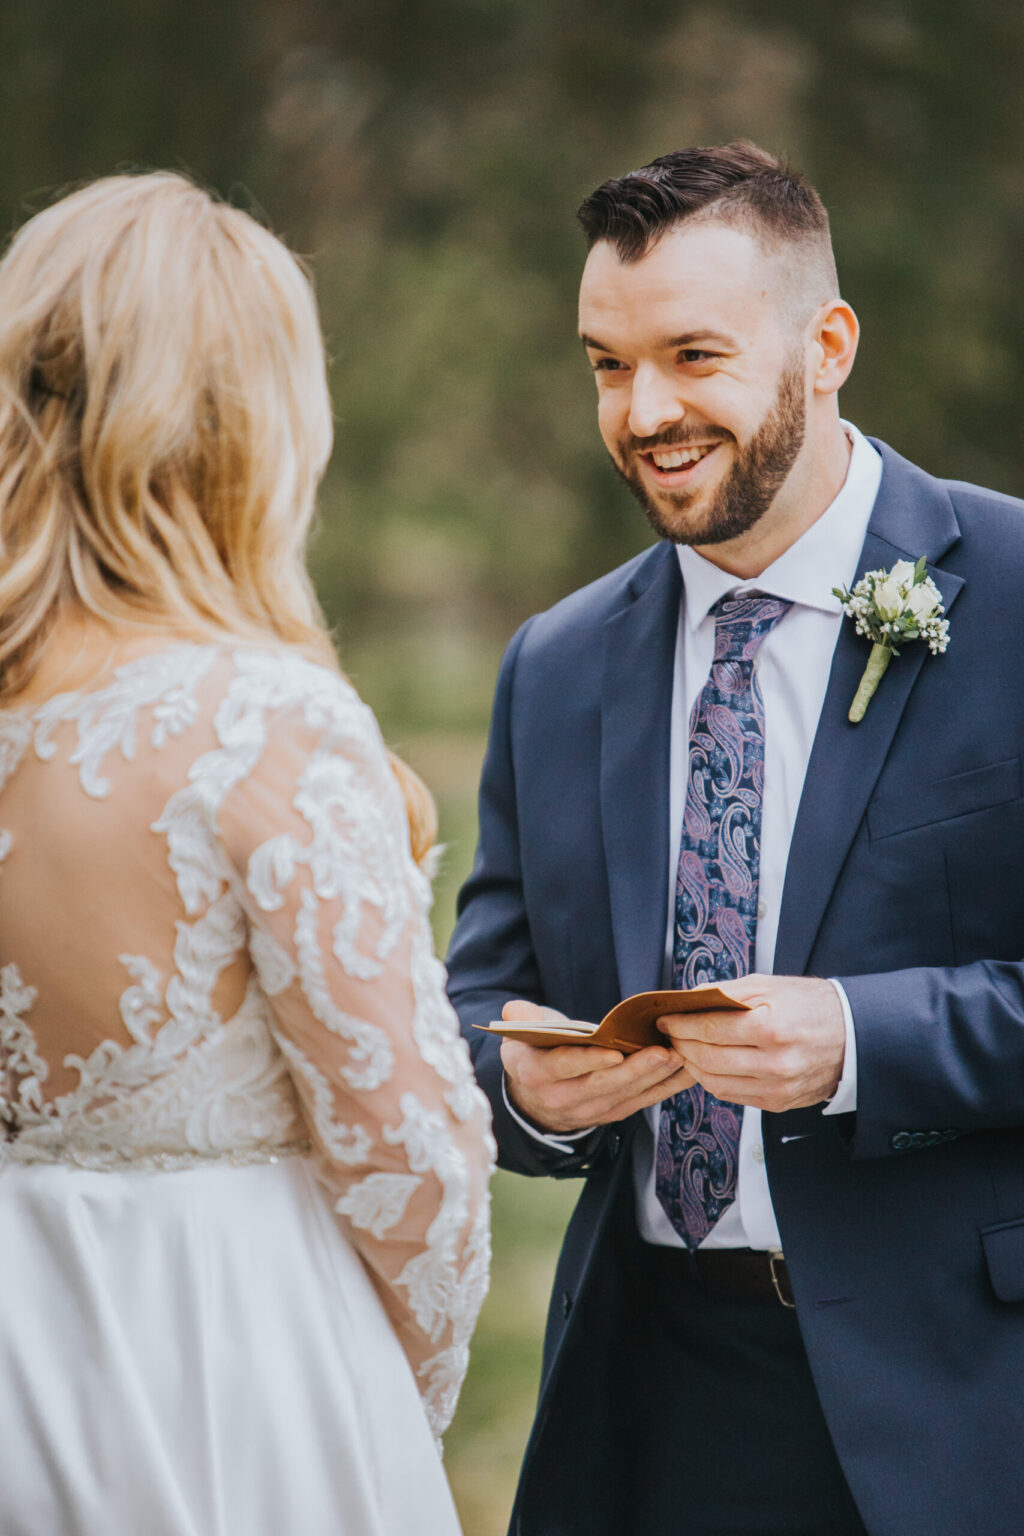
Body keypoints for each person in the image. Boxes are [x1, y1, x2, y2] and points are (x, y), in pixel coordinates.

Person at [446, 140, 1024, 1536]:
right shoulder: (558, 661)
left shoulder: (1014, 596)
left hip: (968, 1400)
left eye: (694, 355)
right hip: (654, 1400)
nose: (646, 411)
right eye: (606, 364)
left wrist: (858, 1038)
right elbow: (472, 1010)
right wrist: (523, 1089)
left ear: (827, 346)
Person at [0, 172, 493, 1536]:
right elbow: (413, 1162)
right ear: (245, 424)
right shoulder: (260, 724)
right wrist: (386, 1395)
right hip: (228, 1370)